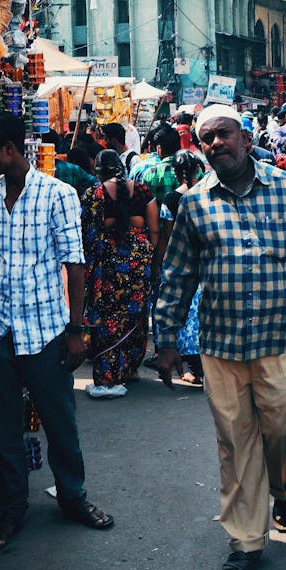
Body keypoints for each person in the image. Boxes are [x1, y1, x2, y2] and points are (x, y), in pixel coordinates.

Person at [154, 105, 286, 570]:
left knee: (281, 431)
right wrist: (167, 339)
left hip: (280, 338)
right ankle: (245, 541)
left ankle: (285, 486)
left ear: (245, 136)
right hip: (221, 344)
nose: (216, 144)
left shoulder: (285, 189)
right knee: (235, 444)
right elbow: (176, 278)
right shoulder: (194, 203)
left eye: (224, 134)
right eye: (207, 138)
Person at [0, 114, 113, 549]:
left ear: (9, 149)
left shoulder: (58, 195)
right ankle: (12, 507)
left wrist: (76, 329)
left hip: (45, 329)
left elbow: (75, 264)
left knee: (59, 421)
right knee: (4, 424)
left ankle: (73, 497)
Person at [80, 150, 158, 398]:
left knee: (107, 319)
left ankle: (108, 377)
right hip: (138, 264)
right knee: (134, 316)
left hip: (107, 267)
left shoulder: (94, 194)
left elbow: (88, 235)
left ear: (99, 170)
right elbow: (154, 230)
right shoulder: (143, 190)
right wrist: (147, 257)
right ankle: (130, 369)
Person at [155, 150, 206, 384]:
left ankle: (192, 367)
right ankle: (201, 366)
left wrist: (160, 264)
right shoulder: (205, 194)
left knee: (185, 314)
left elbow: (166, 235)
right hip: (204, 260)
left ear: (175, 172)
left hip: (181, 260)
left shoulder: (172, 199)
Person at [138, 122, 182, 206]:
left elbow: (145, 203)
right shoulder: (193, 168)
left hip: (158, 218)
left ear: (159, 149)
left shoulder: (150, 174)